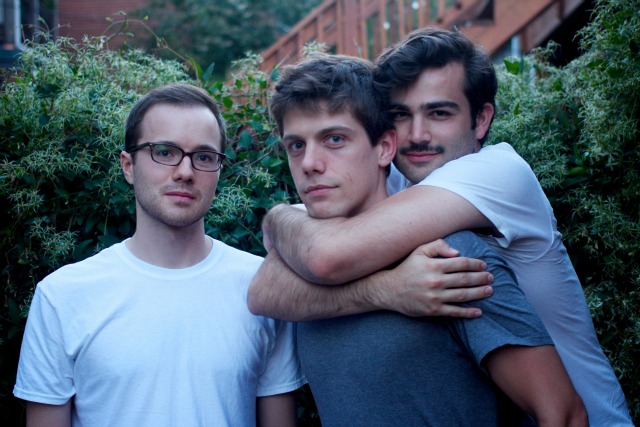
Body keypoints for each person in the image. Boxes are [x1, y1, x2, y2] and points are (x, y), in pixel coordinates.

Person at [250, 29, 633, 426]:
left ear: (481, 119)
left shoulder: (497, 175)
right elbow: (264, 292)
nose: (416, 136)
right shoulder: (392, 187)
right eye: (401, 115)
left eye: (439, 113)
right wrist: (383, 287)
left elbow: (325, 254)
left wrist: (284, 223)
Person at [13, 83, 306, 427]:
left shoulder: (262, 286)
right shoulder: (63, 295)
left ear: (219, 170)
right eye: (164, 152)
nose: (185, 172)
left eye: (204, 157)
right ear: (128, 166)